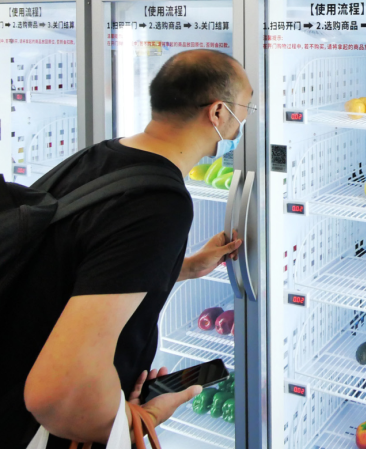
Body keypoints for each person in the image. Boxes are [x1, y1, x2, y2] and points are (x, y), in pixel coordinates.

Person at [1, 49, 253, 448]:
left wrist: (184, 267)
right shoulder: (160, 203)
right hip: (33, 430)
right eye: (246, 108)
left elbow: (85, 262)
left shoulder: (102, 156)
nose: (245, 121)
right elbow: (54, 394)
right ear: (218, 113)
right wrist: (140, 419)